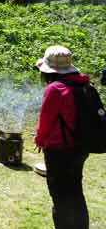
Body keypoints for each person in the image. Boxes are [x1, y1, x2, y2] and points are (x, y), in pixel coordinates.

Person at [34, 45, 90, 229]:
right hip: (80, 148)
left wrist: (39, 140)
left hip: (59, 150)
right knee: (75, 192)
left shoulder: (55, 89)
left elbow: (46, 120)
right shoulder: (82, 84)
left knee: (60, 196)